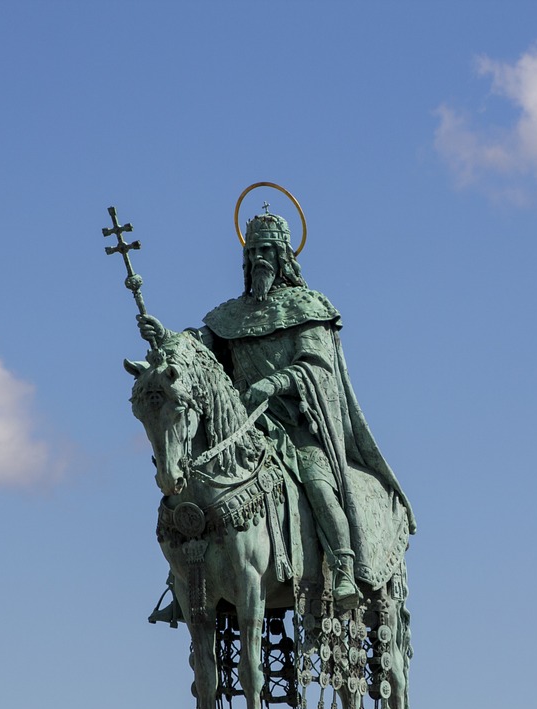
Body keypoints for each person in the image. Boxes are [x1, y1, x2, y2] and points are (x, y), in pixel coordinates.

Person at [138, 210, 415, 610]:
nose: (260, 259)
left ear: (285, 254)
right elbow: (196, 348)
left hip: (297, 427)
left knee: (319, 485)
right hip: (238, 429)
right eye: (253, 251)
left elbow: (315, 366)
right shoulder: (227, 317)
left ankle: (341, 567)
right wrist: (164, 335)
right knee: (194, 484)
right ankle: (182, 580)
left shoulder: (307, 307)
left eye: (268, 249)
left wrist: (273, 382)